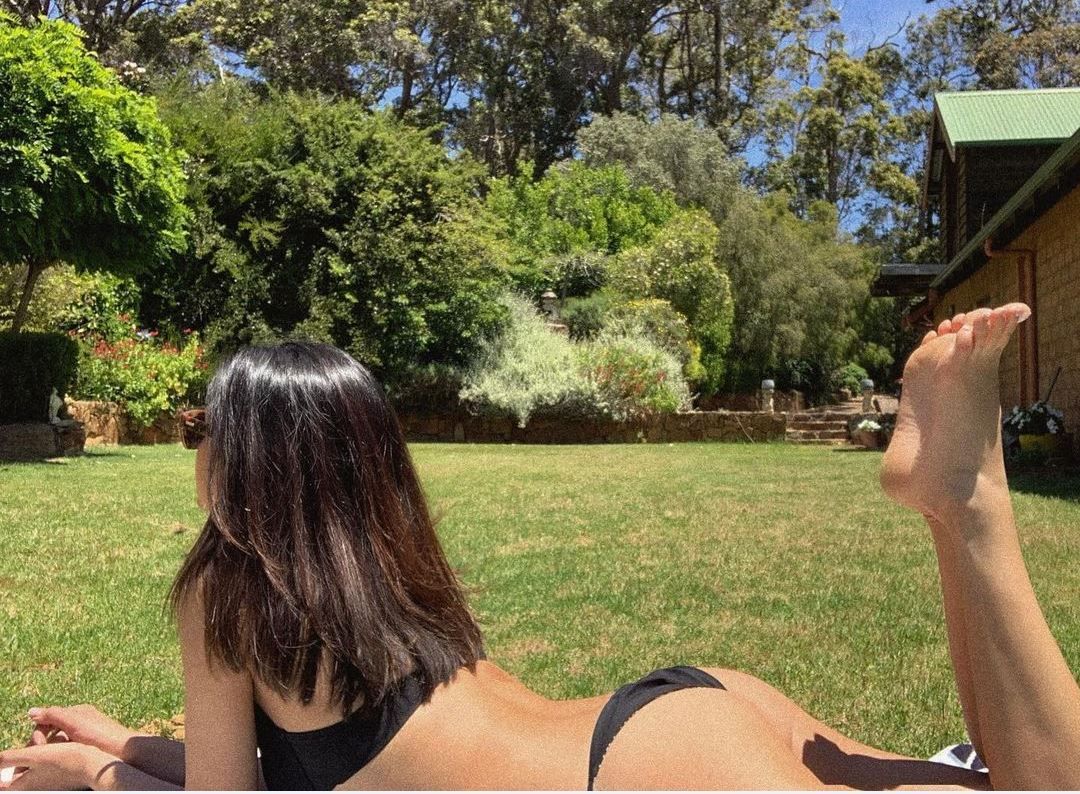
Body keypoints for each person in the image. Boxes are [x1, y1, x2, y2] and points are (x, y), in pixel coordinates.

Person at [1, 303, 1077, 790]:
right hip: (678, 720)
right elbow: (301, 768)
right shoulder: (378, 560)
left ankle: (970, 497)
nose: (190, 445)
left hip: (640, 776)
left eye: (201, 427)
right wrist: (132, 741)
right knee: (1020, 783)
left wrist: (93, 773)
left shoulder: (226, 586)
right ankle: (958, 507)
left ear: (248, 463)